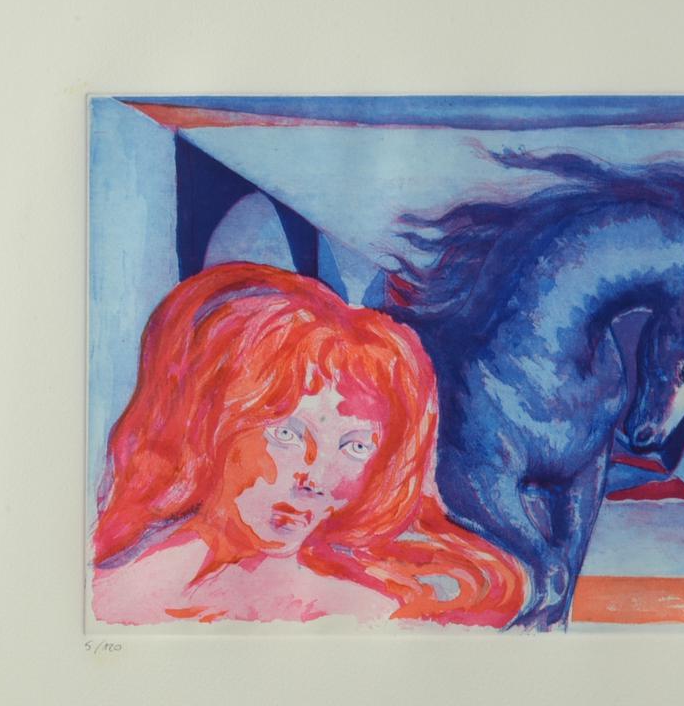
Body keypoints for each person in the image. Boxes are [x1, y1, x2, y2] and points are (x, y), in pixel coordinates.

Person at [91, 262, 527, 626]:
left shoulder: (366, 606)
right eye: (287, 435)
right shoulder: (116, 597)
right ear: (213, 425)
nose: (315, 479)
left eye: (355, 448)